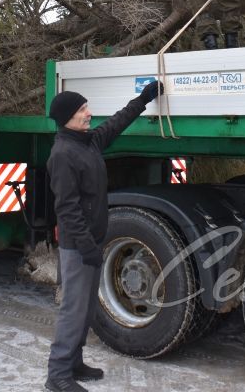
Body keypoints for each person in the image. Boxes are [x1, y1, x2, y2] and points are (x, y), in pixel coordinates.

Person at [44, 79, 163, 392]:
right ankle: (57, 375)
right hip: (78, 247)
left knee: (86, 308)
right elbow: (67, 210)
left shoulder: (89, 141)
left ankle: (74, 362)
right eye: (83, 109)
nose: (89, 113)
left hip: (91, 242)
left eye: (87, 107)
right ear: (67, 117)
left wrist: (143, 100)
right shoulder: (62, 154)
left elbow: (117, 122)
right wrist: (87, 247)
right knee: (73, 308)